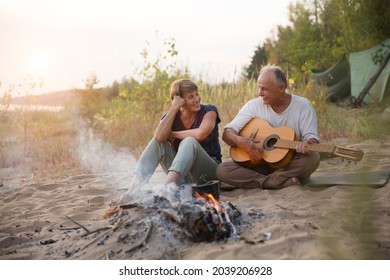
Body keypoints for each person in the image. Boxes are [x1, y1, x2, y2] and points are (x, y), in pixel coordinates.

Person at [112, 79, 222, 205]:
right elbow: (159, 137)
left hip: (207, 173)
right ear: (179, 100)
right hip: (183, 176)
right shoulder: (171, 116)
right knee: (158, 143)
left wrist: (173, 134)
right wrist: (174, 107)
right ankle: (134, 190)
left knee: (189, 141)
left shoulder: (209, 111)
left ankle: (166, 189)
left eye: (197, 94)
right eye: (191, 96)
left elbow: (201, 134)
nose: (197, 99)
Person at [216, 64, 320, 189]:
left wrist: (308, 143)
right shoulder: (253, 106)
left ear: (281, 88)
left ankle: (269, 181)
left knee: (313, 158)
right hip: (259, 165)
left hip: (288, 163)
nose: (260, 93)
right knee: (223, 169)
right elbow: (227, 132)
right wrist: (240, 141)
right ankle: (273, 182)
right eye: (259, 88)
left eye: (264, 89)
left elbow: (311, 137)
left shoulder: (303, 105)